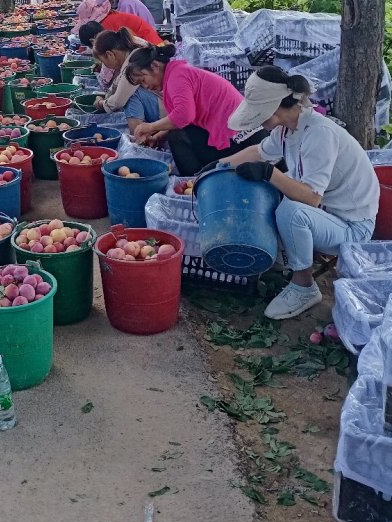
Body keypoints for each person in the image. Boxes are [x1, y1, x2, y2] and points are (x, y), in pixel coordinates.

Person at [223, 67, 379, 320]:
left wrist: (269, 174)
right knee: (276, 199)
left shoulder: (319, 133)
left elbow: (311, 198)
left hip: (352, 227)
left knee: (291, 210)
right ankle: (287, 261)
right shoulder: (287, 130)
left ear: (275, 107)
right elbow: (258, 152)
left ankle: (304, 285)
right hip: (328, 216)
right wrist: (220, 165)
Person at [126, 44, 266, 175]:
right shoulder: (177, 73)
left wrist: (150, 127)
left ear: (155, 66)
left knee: (177, 136)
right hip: (240, 134)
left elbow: (184, 116)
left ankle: (193, 181)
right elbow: (186, 118)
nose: (145, 87)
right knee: (175, 132)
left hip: (242, 140)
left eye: (143, 80)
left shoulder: (177, 77)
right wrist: (158, 136)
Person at [89, 28, 163, 130]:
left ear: (110, 54)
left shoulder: (134, 61)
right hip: (162, 103)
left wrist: (101, 103)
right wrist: (106, 97)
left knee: (130, 95)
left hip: (167, 109)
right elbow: (117, 84)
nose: (104, 65)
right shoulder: (131, 52)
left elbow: (118, 101)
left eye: (103, 61)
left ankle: (139, 136)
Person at [78, 10, 161, 49]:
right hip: (148, 42)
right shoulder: (104, 21)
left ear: (93, 41)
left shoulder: (106, 27)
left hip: (151, 45)